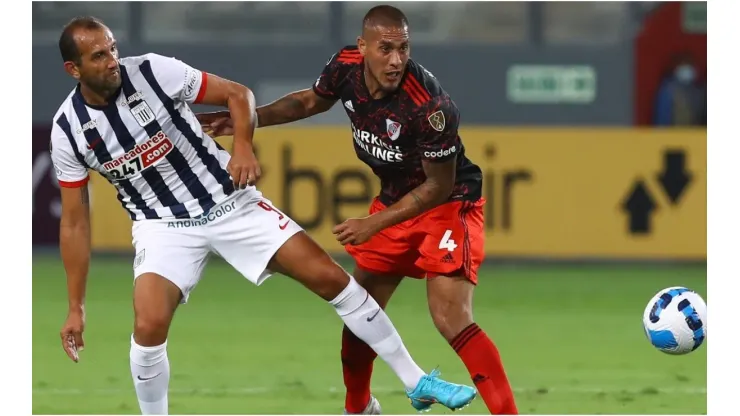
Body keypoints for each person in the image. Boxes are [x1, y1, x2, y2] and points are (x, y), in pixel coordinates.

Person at [51, 16, 477, 416]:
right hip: (162, 226)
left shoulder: (152, 71)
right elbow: (74, 221)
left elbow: (238, 95)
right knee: (148, 326)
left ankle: (415, 379)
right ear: (74, 69)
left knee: (332, 280)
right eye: (99, 57)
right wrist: (76, 307)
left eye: (112, 49)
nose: (113, 62)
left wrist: (242, 145)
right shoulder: (68, 130)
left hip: (229, 201)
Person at [197, 5, 518, 415]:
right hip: (395, 199)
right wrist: (251, 120)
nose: (396, 59)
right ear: (363, 47)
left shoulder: (430, 107)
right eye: (386, 49)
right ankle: (359, 408)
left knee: (449, 316)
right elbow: (309, 102)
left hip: (449, 205)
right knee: (360, 309)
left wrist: (374, 223)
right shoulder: (345, 66)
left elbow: (438, 186)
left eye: (403, 48)